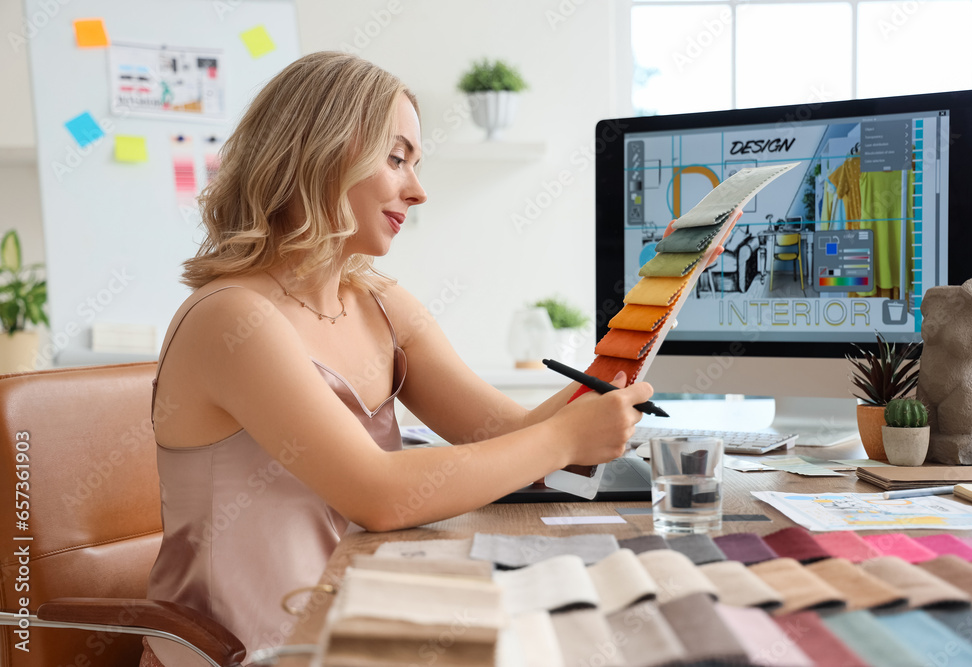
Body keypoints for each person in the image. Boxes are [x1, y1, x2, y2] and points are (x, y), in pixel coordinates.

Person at [140, 51, 653, 666]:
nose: (418, 190)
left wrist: (644, 327)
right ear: (320, 154)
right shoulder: (233, 319)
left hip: (357, 626)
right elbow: (379, 495)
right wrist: (567, 439)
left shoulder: (378, 301)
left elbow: (509, 436)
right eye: (396, 158)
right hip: (251, 650)